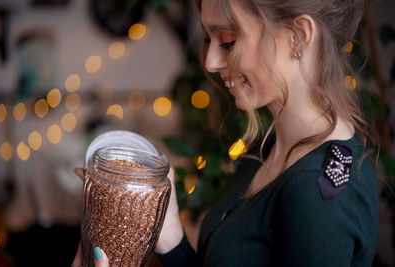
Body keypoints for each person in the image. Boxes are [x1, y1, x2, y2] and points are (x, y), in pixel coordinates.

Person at [72, 0, 378, 266]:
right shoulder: (266, 146)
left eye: (229, 40)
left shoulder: (319, 194)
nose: (211, 62)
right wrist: (168, 234)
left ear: (298, 37)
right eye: (209, 39)